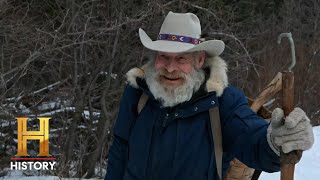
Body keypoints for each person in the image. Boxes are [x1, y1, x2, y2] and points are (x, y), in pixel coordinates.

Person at [104, 12, 314, 180]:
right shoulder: (138, 94)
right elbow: (119, 152)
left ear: (200, 59)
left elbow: (251, 140)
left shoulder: (222, 101)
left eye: (181, 59)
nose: (169, 68)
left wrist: (275, 143)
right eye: (163, 57)